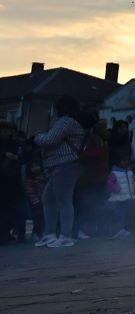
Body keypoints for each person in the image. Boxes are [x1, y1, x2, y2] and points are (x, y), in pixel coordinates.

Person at [32, 95, 86, 247]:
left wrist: (37, 136)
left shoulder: (65, 122)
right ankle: (50, 234)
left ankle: (65, 236)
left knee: (63, 200)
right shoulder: (68, 122)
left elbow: (50, 139)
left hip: (66, 164)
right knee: (48, 198)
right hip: (62, 166)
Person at [0, 121, 26, 243]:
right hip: (3, 179)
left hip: (12, 180)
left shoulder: (15, 144)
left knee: (10, 208)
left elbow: (23, 158)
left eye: (8, 130)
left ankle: (6, 233)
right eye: (4, 130)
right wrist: (5, 154)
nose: (6, 132)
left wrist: (15, 157)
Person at [104, 157, 135, 239]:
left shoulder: (130, 172)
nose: (126, 162)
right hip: (118, 198)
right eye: (124, 160)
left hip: (129, 196)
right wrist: (115, 188)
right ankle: (116, 231)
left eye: (127, 160)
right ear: (119, 162)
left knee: (128, 214)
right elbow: (109, 184)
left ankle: (125, 230)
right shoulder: (114, 172)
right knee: (119, 215)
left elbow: (134, 181)